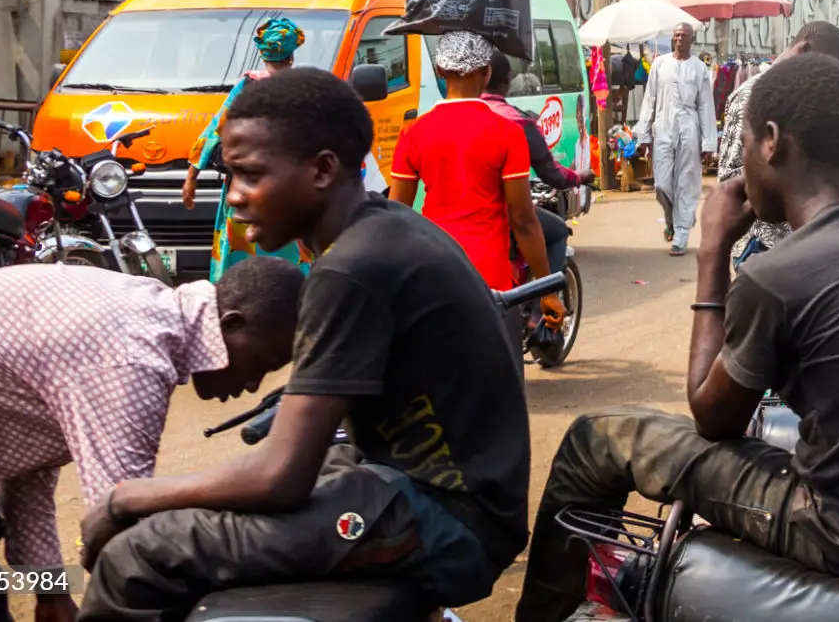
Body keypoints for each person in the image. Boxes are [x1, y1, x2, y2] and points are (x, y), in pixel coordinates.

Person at [517, 55, 839, 622]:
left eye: (740, 144)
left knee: (596, 439)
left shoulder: (778, 274)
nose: (735, 165)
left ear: (770, 142)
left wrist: (713, 253)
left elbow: (712, 419)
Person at [79, 69, 532, 621]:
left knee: (137, 554)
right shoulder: (385, 228)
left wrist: (125, 498)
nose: (237, 198)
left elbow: (280, 476)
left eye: (250, 176)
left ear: (322, 170)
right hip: (430, 490)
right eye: (230, 176)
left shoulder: (352, 268)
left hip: (451, 519)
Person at [0, 261, 298, 622]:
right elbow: (119, 526)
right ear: (230, 324)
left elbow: (27, 470)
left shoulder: (148, 313)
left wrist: (51, 593)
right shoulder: (133, 357)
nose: (252, 385)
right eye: (261, 364)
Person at [387, 32, 561, 333]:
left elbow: (395, 216)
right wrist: (547, 290)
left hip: (434, 271)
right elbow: (522, 220)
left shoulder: (413, 132)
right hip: (490, 279)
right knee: (497, 375)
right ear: (487, 71)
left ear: (441, 71)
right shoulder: (507, 134)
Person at [182, 16, 312, 280]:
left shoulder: (247, 86)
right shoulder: (307, 89)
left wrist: (191, 176)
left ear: (263, 54)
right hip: (288, 189)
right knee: (291, 258)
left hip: (245, 188)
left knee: (238, 256)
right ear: (291, 55)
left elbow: (215, 130)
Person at [717, 22, 839, 267]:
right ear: (804, 49)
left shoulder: (814, 95)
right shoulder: (750, 96)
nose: (820, 76)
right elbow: (729, 176)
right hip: (761, 246)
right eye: (819, 65)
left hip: (808, 245)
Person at [482, 50, 580, 282]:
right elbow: (553, 174)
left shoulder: (448, 121)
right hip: (498, 213)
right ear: (508, 80)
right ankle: (543, 304)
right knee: (555, 231)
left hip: (451, 220)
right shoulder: (518, 123)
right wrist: (580, 177)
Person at [634, 22, 717, 255]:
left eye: (684, 36)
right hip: (663, 127)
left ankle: (680, 234)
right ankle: (671, 219)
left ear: (692, 39)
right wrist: (644, 135)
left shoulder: (700, 68)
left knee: (686, 184)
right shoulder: (660, 64)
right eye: (676, 35)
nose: (679, 39)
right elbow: (649, 100)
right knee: (661, 184)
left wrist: (709, 143)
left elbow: (705, 106)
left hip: (689, 128)